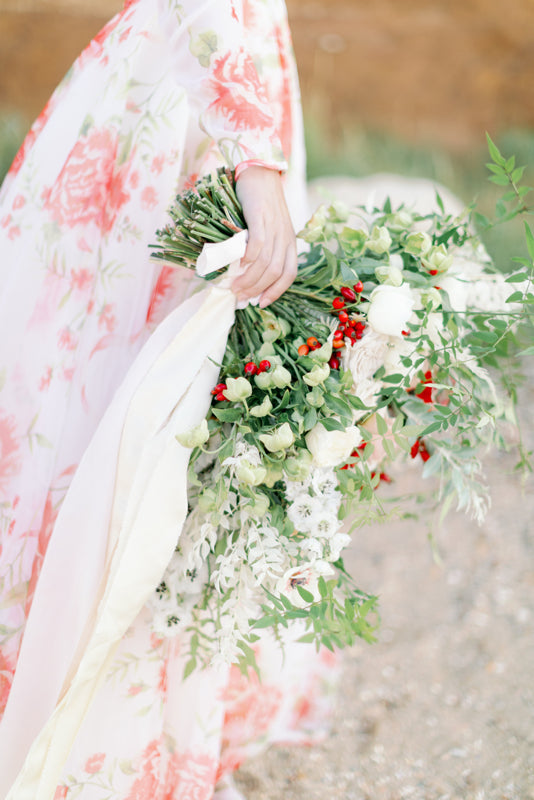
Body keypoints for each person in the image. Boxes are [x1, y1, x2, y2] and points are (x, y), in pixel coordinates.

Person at [0, 1, 338, 798]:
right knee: (124, 417)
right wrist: (256, 170)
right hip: (183, 121)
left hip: (214, 86)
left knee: (173, 428)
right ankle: (89, 719)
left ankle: (146, 711)